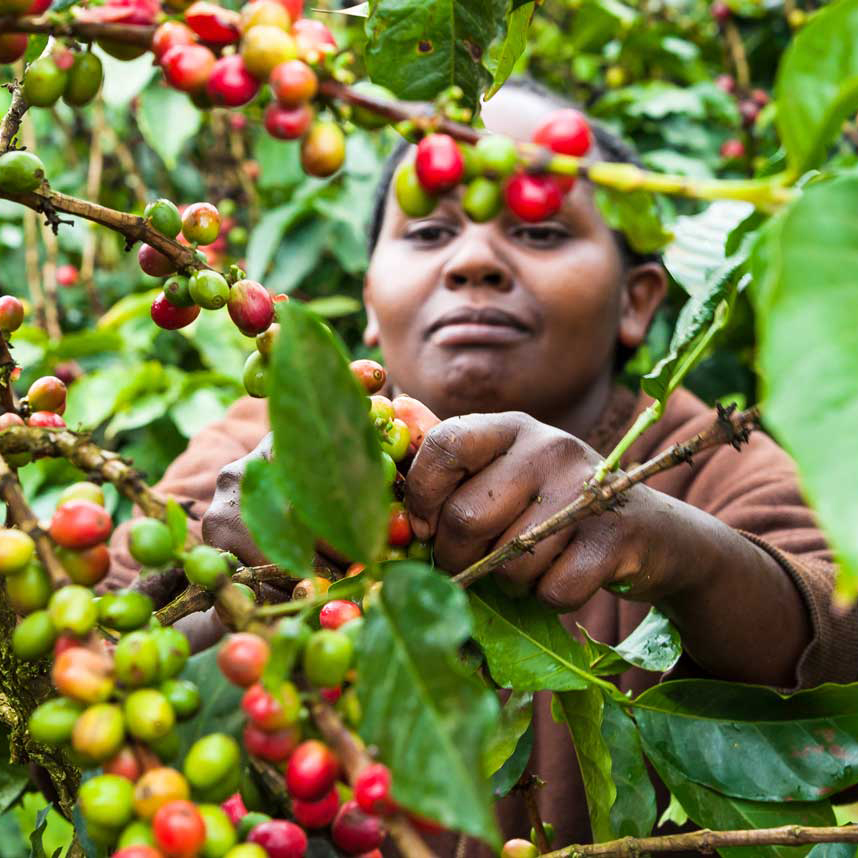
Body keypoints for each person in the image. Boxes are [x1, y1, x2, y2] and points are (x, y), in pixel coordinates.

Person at [108, 79, 858, 852]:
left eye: (538, 233)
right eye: (430, 232)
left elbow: (842, 625)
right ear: (370, 296)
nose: (473, 261)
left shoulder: (700, 458)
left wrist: (674, 547)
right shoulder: (269, 439)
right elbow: (88, 634)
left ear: (637, 303)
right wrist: (219, 576)